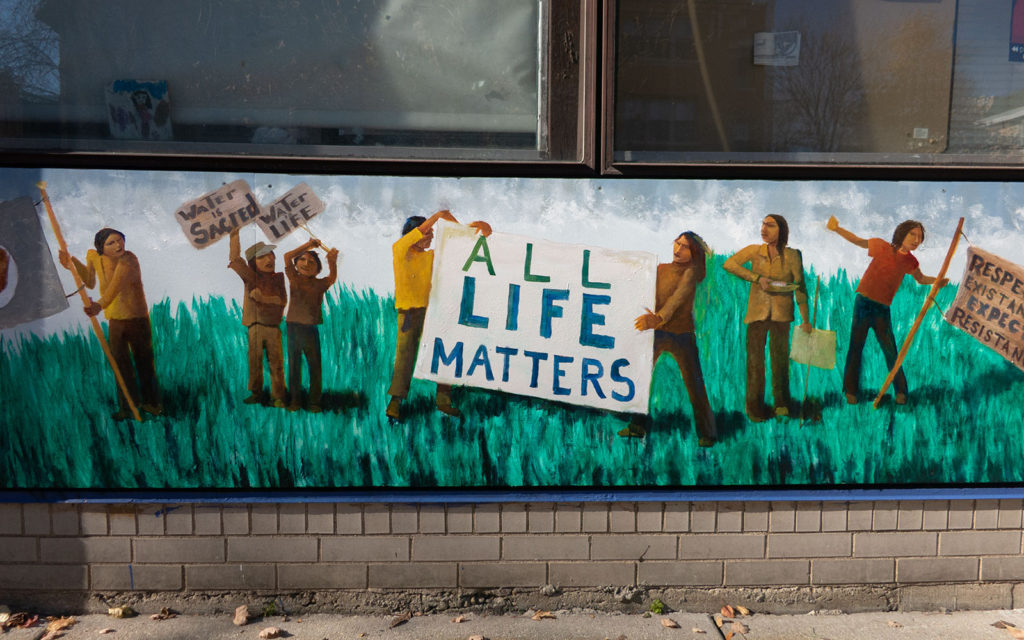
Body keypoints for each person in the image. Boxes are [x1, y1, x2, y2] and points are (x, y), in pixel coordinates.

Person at [826, 216, 948, 405]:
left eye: (920, 237)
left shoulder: (911, 262)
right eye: (913, 235)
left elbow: (921, 278)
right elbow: (857, 241)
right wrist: (837, 229)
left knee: (890, 350)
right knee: (856, 346)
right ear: (902, 234)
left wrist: (936, 281)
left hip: (882, 308)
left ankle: (901, 392)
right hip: (863, 302)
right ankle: (850, 391)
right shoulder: (882, 246)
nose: (916, 240)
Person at [386, 209, 491, 422]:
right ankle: (395, 402)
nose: (431, 235)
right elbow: (418, 233)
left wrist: (475, 227)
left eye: (432, 232)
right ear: (412, 234)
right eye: (427, 233)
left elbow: (461, 243)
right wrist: (438, 216)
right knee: (404, 358)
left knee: (443, 352)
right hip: (409, 312)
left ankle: (443, 401)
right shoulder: (400, 250)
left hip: (434, 311)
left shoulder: (433, 256)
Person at [59, 228, 162, 420]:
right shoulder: (94, 257)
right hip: (115, 320)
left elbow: (116, 286)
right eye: (111, 243)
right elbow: (89, 281)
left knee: (144, 362)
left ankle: (152, 404)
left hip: (137, 319)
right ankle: (128, 406)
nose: (118, 245)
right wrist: (72, 263)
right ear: (101, 247)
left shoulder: (128, 260)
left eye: (120, 240)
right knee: (120, 365)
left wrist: (98, 305)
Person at [625, 231, 717, 445]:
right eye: (677, 244)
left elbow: (677, 299)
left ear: (693, 253)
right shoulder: (660, 269)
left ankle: (708, 433)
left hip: (681, 335)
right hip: (656, 332)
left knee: (694, 384)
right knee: (641, 377)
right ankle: (637, 426)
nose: (678, 249)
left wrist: (658, 319)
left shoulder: (692, 272)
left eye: (684, 246)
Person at [723, 215, 812, 422]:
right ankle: (755, 409)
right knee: (755, 363)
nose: (763, 229)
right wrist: (756, 278)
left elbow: (800, 288)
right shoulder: (755, 251)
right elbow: (729, 264)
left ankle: (781, 404)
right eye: (762, 224)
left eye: (770, 226)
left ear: (781, 230)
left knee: (780, 361)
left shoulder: (792, 255)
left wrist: (806, 319)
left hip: (782, 315)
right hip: (757, 314)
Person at [228, 227, 287, 408]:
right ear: (253, 262)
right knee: (254, 361)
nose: (269, 259)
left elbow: (282, 300)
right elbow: (235, 259)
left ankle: (278, 395)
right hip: (254, 325)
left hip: (272, 326)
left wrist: (264, 298)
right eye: (262, 257)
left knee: (275, 362)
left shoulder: (278, 278)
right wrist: (234, 234)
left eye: (270, 255)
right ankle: (256, 393)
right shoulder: (250, 276)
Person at [283, 238, 338, 412]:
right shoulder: (294, 277)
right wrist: (308, 245)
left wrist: (332, 261)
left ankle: (314, 402)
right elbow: (286, 256)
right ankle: (294, 401)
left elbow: (332, 277)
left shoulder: (320, 284)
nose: (306, 263)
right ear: (296, 264)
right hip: (293, 328)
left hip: (310, 330)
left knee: (315, 366)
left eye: (312, 262)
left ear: (318, 269)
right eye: (302, 260)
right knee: (294, 366)